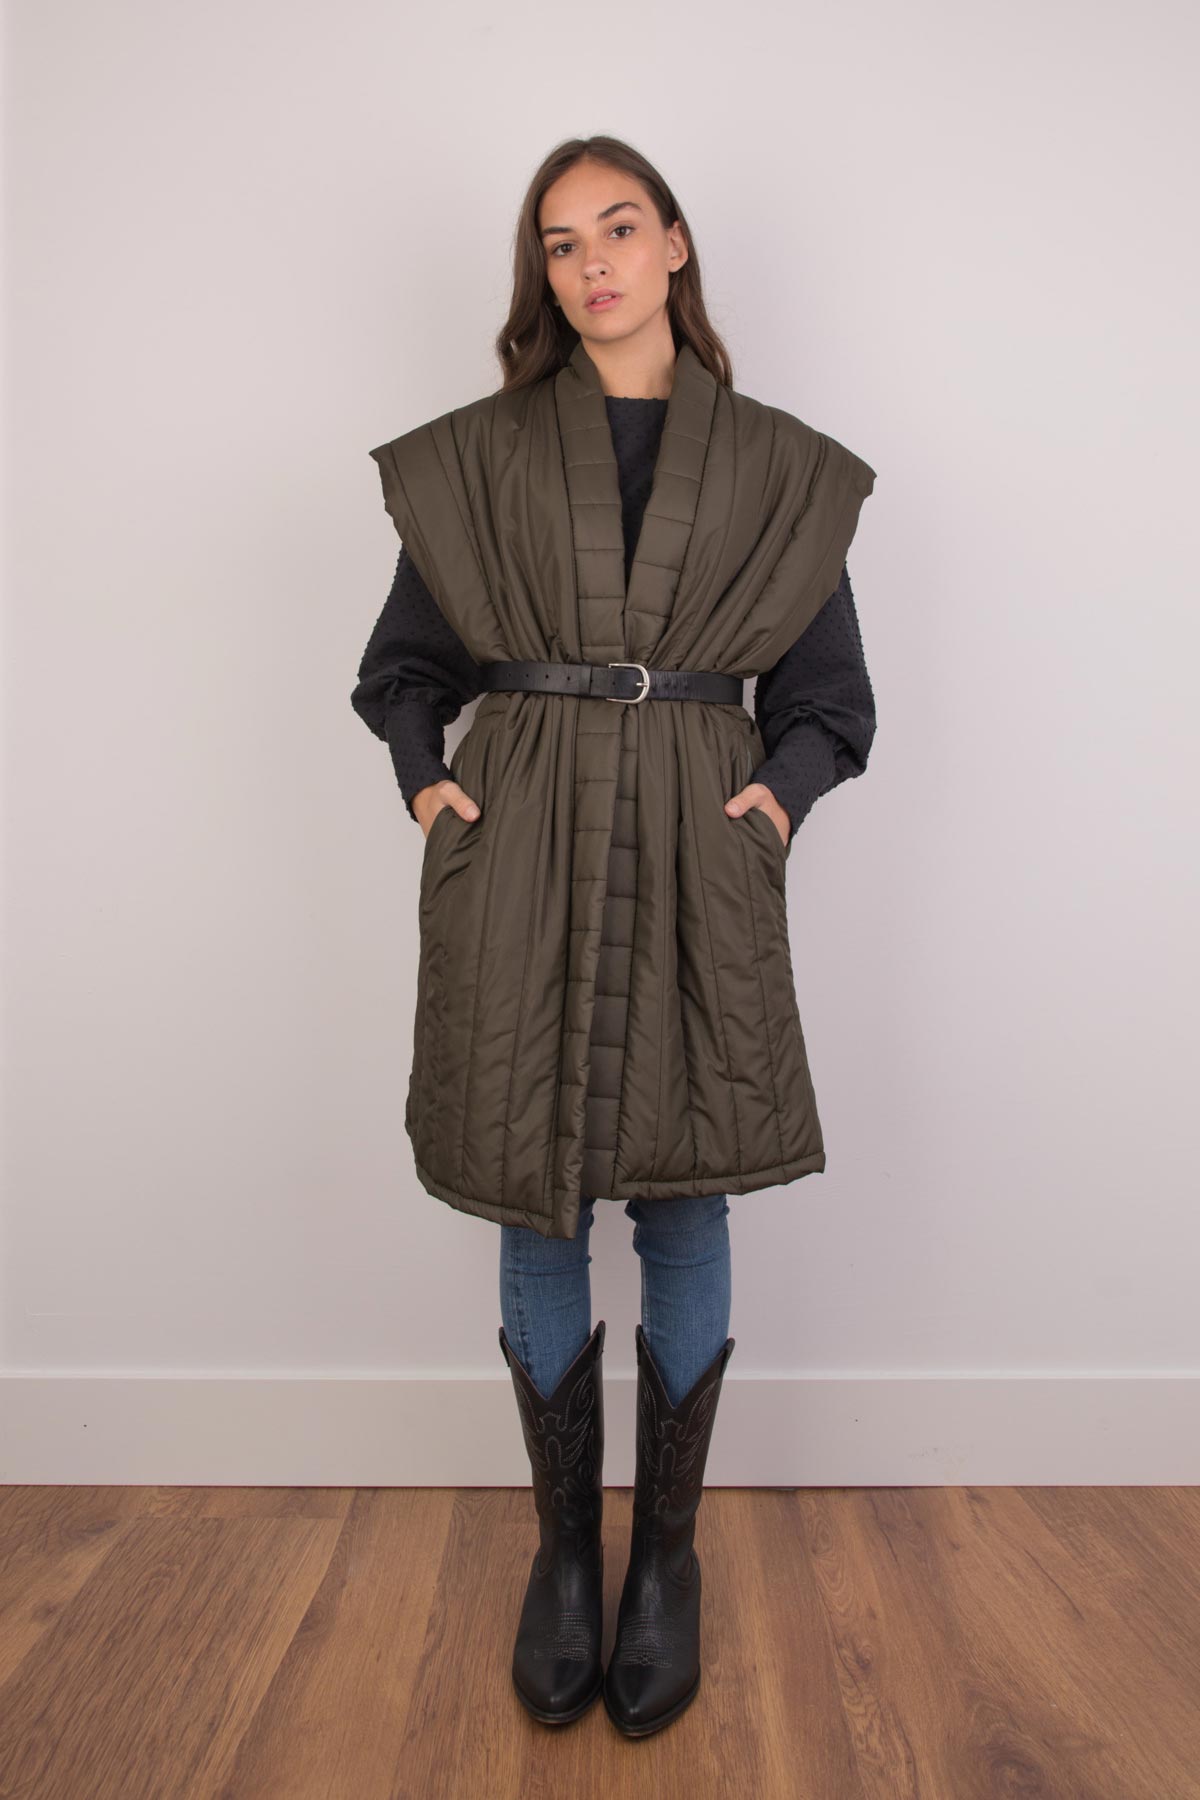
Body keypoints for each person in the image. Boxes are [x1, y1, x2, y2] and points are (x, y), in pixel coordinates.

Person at [350, 135, 877, 1738]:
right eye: (562, 240)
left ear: (675, 246)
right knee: (537, 1194)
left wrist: (774, 804)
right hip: (517, 852)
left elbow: (829, 700)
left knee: (685, 1191)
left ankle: (667, 1564)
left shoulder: (778, 468)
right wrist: (431, 785)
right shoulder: (483, 459)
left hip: (697, 852)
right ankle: (565, 1562)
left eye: (620, 228)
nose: (592, 262)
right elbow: (403, 665)